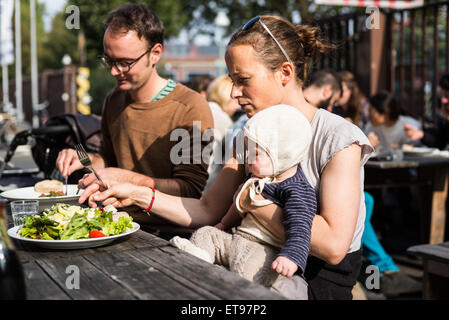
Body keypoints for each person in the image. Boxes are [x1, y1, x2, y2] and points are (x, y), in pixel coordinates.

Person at [80, 15, 373, 300]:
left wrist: (249, 202)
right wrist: (138, 195)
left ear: (284, 72)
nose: (234, 93)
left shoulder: (338, 137)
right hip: (250, 269)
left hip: (312, 284)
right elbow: (208, 211)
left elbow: (334, 245)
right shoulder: (249, 134)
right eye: (232, 80)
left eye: (243, 79)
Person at [56, 4, 214, 233]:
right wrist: (80, 156)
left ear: (155, 53)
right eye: (109, 60)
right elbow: (107, 161)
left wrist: (127, 179)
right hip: (115, 222)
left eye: (125, 63)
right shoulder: (114, 99)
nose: (113, 71)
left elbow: (189, 191)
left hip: (170, 234)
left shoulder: (190, 107)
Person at [170, 105, 316, 299]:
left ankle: (232, 291)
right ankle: (200, 259)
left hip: (265, 250)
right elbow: (238, 205)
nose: (247, 158)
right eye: (247, 152)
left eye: (255, 154)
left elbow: (301, 227)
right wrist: (224, 224)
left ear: (281, 154)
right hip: (237, 238)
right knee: (206, 233)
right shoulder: (259, 176)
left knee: (246, 269)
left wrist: (291, 257)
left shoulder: (295, 189)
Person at [202, 75, 240, 193]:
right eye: (235, 100)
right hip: (207, 186)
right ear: (227, 97)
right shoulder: (223, 119)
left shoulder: (204, 109)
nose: (239, 105)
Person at [365, 90, 422, 156]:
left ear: (386, 113)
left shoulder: (410, 125)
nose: (368, 116)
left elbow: (417, 149)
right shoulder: (371, 126)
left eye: (371, 111)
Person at [405, 73, 449, 150]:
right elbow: (440, 141)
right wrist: (421, 134)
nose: (443, 100)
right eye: (442, 96)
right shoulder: (446, 121)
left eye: (447, 96)